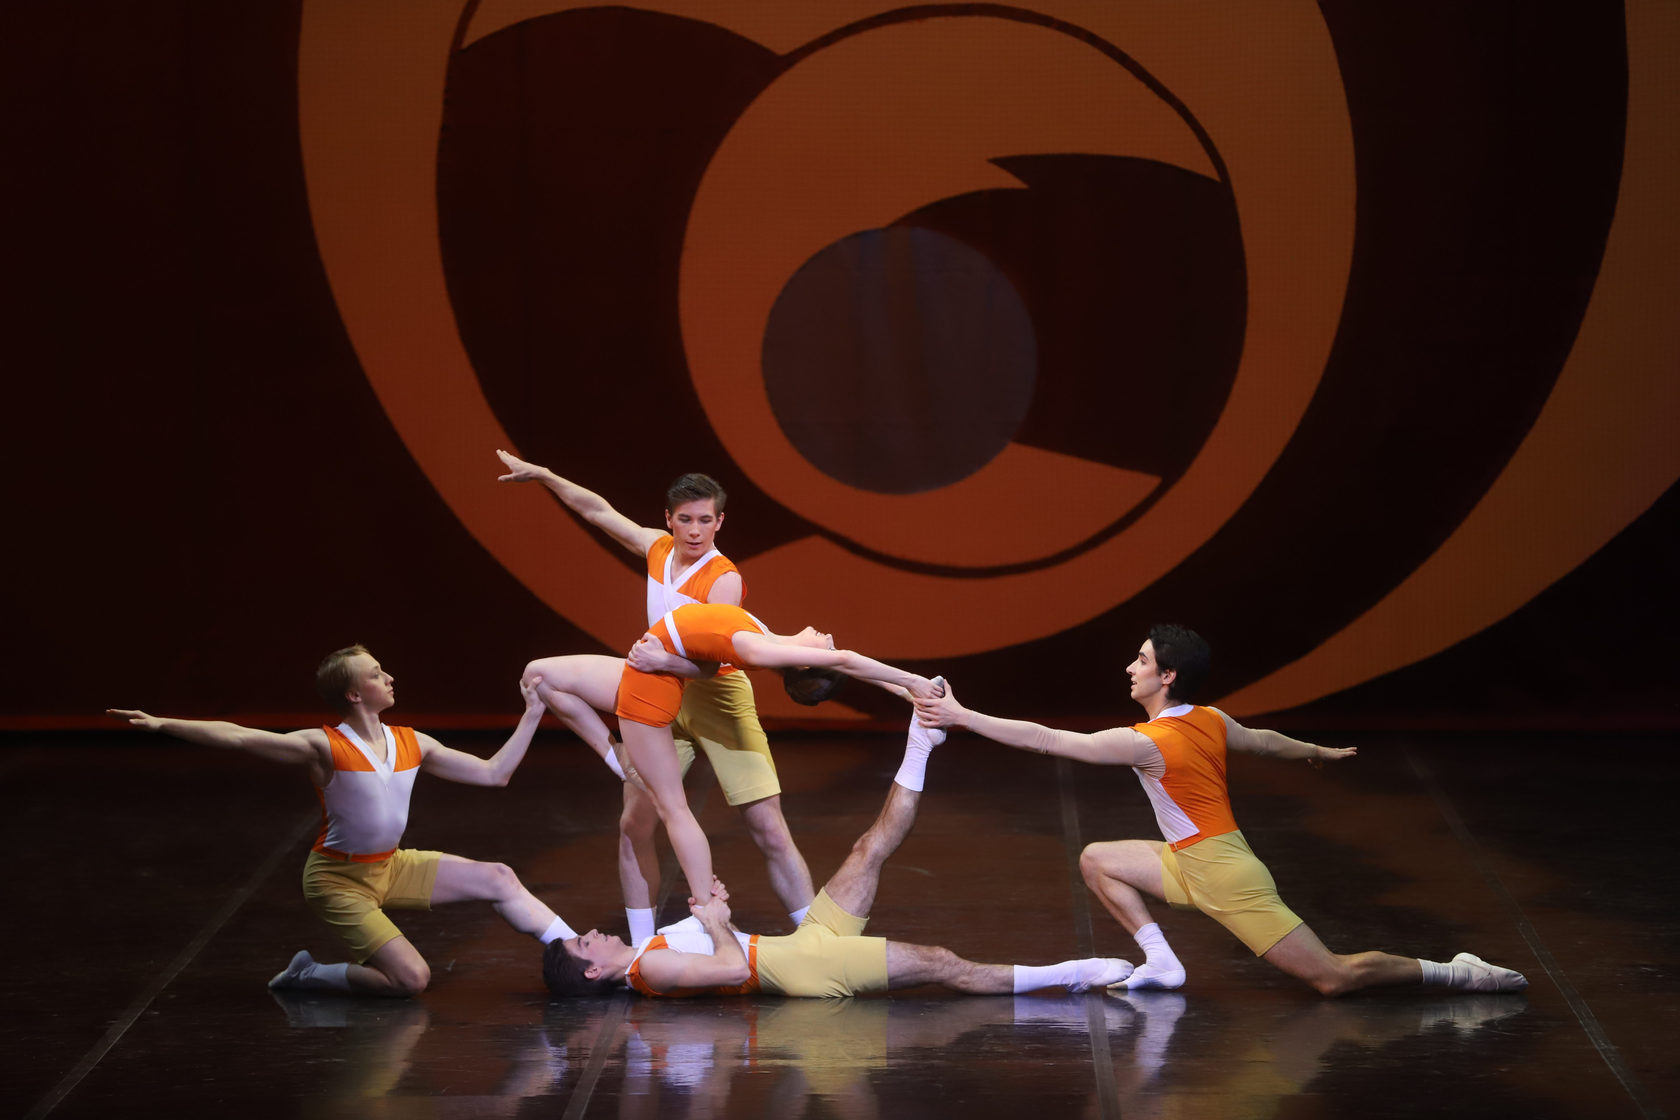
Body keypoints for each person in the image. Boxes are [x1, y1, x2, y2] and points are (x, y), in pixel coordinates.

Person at [912, 624, 1530, 997]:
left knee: (1333, 978)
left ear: (1167, 676)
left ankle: (1456, 972)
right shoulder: (1209, 718)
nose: (1130, 667)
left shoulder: (1150, 742)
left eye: (1141, 660)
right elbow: (1262, 740)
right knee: (1099, 859)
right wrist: (1314, 751)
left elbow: (1048, 739)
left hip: (1227, 875)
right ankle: (1162, 963)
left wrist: (962, 716)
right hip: (1192, 862)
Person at [543, 713, 1134, 998]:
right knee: (940, 962)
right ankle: (1071, 974)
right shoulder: (647, 970)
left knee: (868, 848)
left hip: (801, 944)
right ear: (593, 971)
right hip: (807, 969)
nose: (593, 933)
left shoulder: (648, 951)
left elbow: (721, 945)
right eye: (585, 943)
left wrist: (715, 912)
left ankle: (919, 740)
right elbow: (730, 970)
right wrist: (717, 922)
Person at [107, 644, 577, 997]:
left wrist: (533, 713)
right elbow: (239, 737)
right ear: (354, 694)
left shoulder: (413, 742)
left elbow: (494, 774)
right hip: (337, 880)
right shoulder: (323, 746)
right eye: (376, 674)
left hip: (390, 865)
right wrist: (164, 724)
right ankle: (310, 973)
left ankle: (578, 953)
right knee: (411, 980)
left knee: (499, 877)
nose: (389, 677)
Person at [495, 452, 817, 941]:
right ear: (669, 519)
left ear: (719, 521)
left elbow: (712, 662)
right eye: (685, 520)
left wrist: (663, 660)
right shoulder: (657, 549)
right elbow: (597, 510)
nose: (695, 531)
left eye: (705, 520)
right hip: (659, 690)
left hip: (717, 695)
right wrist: (546, 476)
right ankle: (643, 946)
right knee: (634, 824)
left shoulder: (723, 579)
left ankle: (815, 938)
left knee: (768, 826)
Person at [519, 597, 941, 921]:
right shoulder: (766, 638)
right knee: (539, 676)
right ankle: (616, 759)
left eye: (824, 652)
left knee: (685, 812)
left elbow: (846, 660)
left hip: (661, 689)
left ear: (802, 666)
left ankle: (743, 922)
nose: (829, 639)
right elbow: (845, 664)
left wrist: (915, 683)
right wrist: (904, 691)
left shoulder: (758, 649)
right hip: (660, 676)